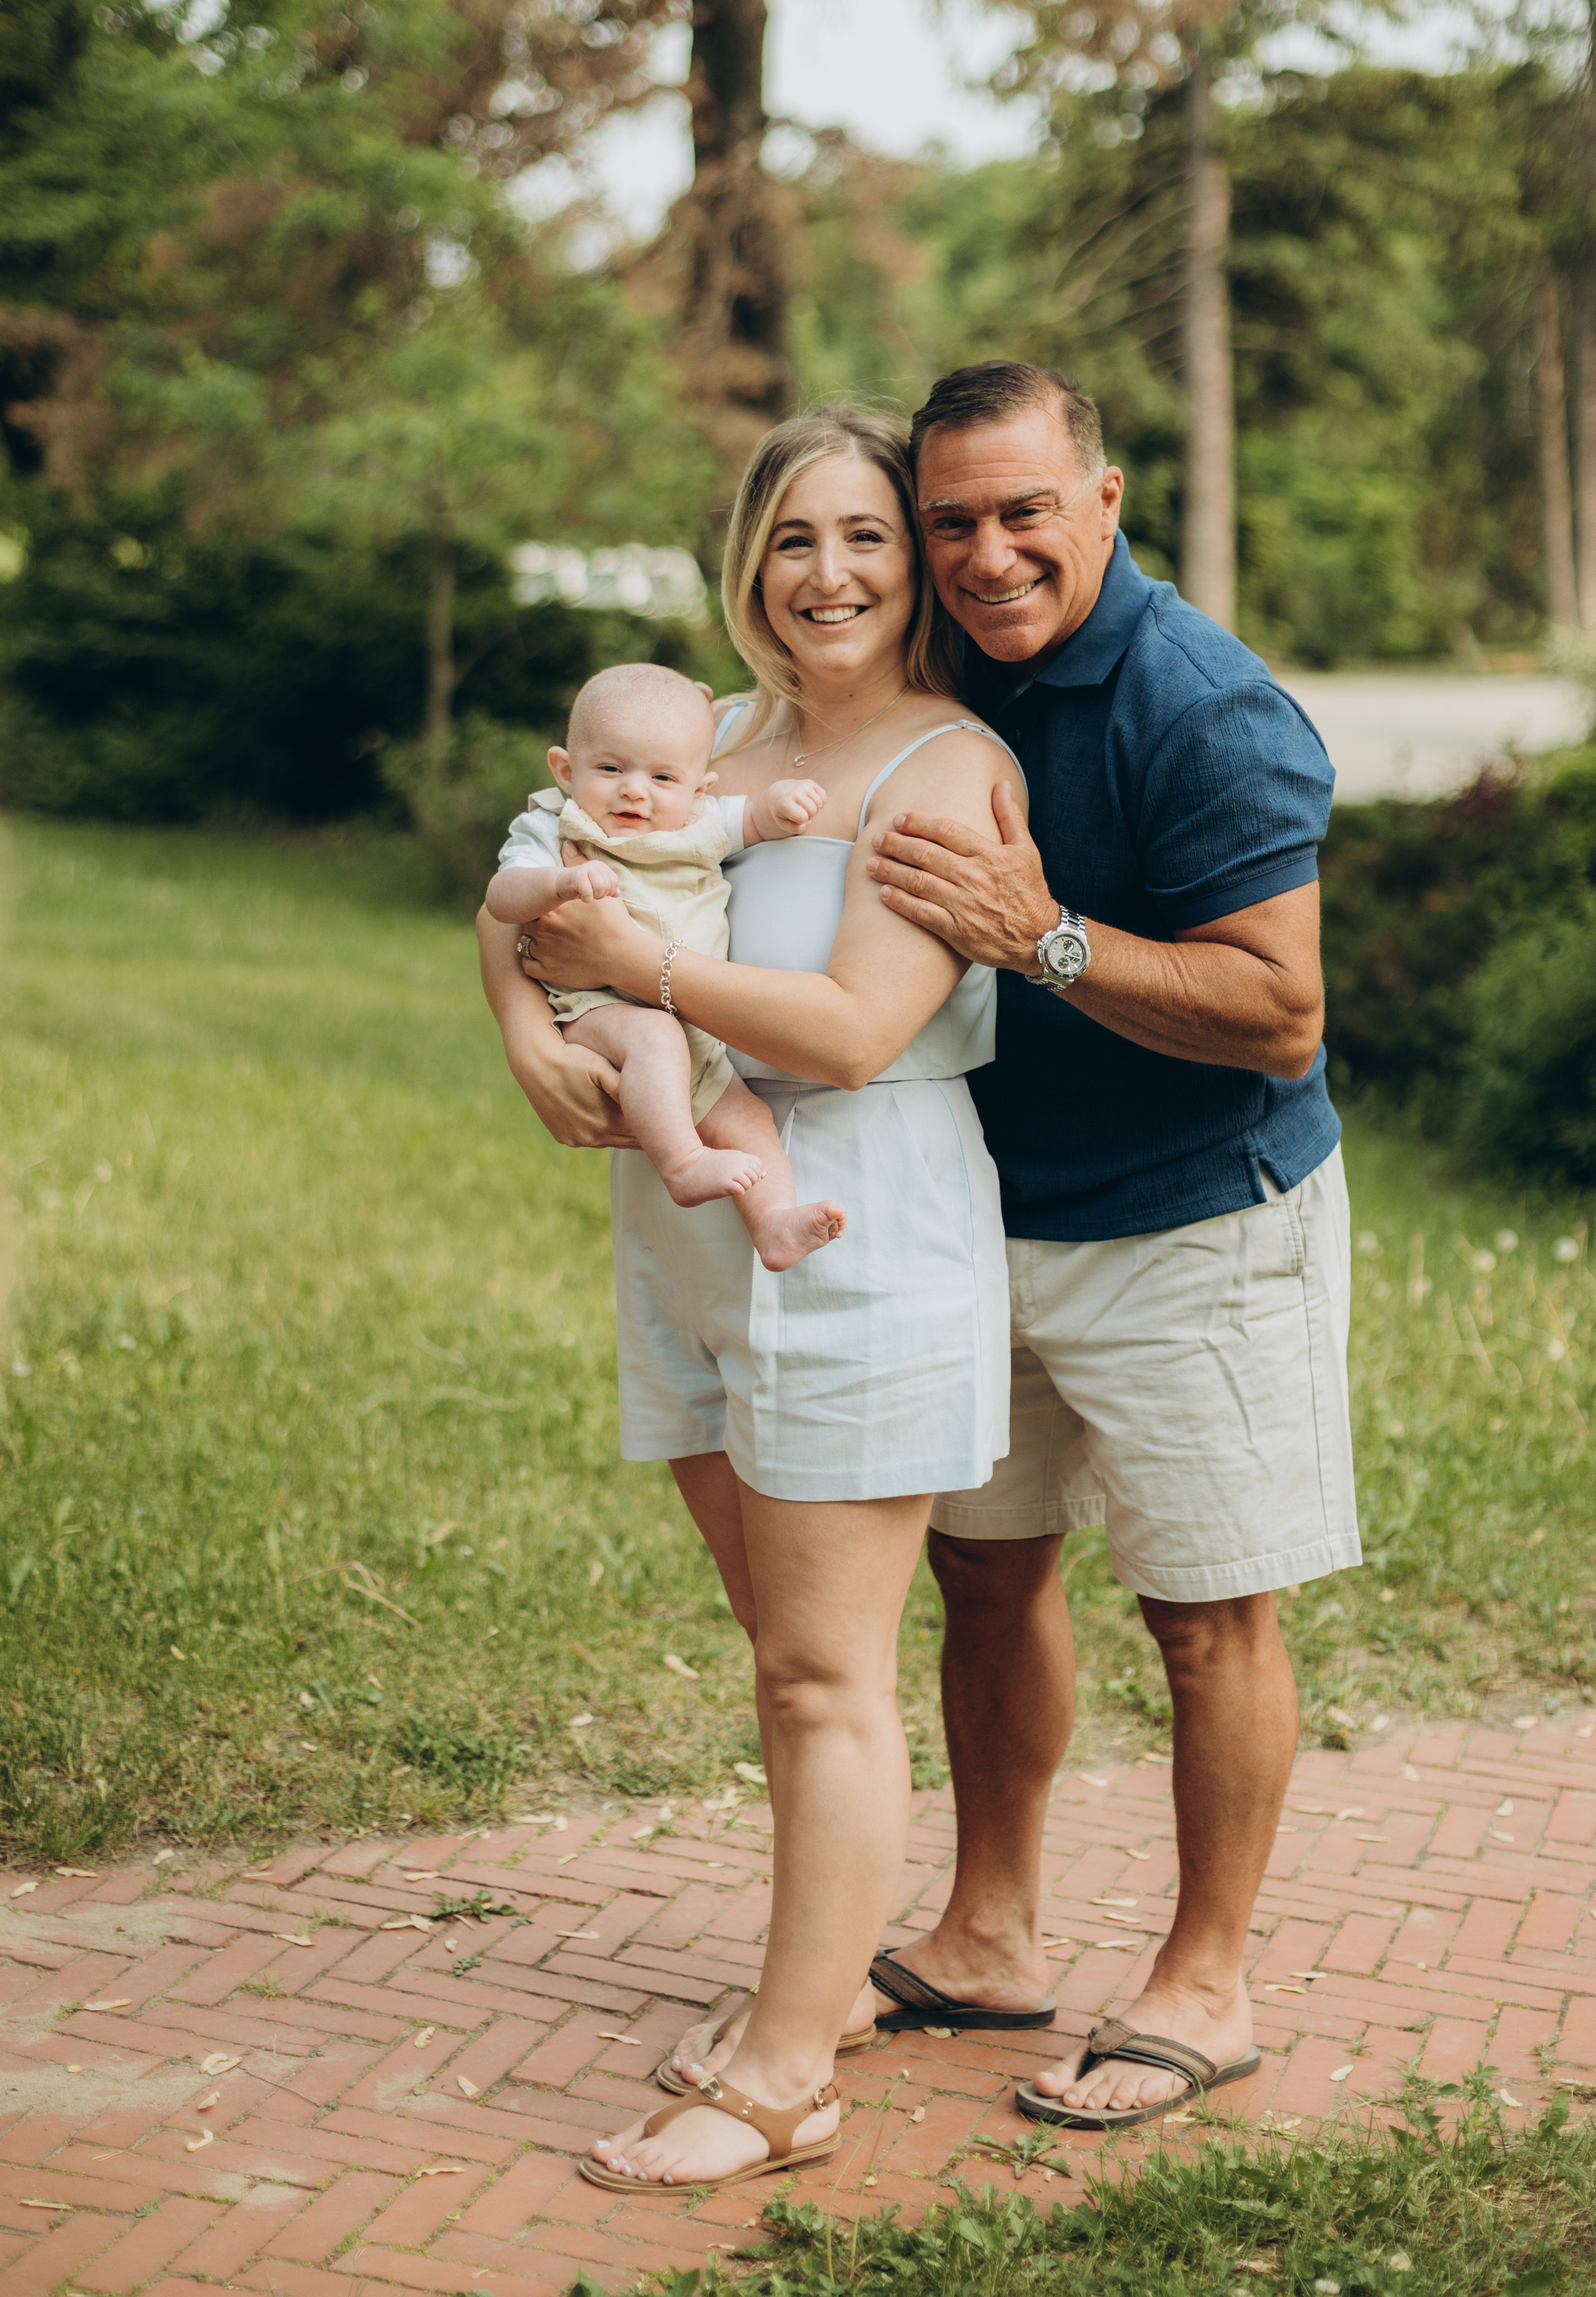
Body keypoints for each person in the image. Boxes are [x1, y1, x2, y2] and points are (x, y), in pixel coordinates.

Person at [476, 404, 1028, 2190]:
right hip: (690, 1233)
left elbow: (861, 1025)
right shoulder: (700, 738)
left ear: (917, 561)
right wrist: (521, 1044)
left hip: (859, 1214)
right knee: (784, 1657)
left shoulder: (938, 769)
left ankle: (787, 2070)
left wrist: (641, 968)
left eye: (869, 535)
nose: (832, 574)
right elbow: (529, 904)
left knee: (822, 1671)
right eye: (796, 537)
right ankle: (828, 1992)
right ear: (749, 562)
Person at [844, 359, 1355, 2128]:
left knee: (1209, 1614)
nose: (986, 555)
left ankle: (1205, 1987)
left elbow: (1279, 1010)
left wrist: (1042, 935)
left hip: (1196, 1224)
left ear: (1106, 502)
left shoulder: (1204, 706)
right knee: (985, 1570)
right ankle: (989, 1935)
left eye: (1023, 512)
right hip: (981, 1218)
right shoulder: (934, 670)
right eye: (952, 521)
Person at [484, 662, 846, 1272]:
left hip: (696, 1025)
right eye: (610, 769)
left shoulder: (698, 824)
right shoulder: (554, 826)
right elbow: (501, 898)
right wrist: (557, 882)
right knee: (653, 1036)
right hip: (600, 1011)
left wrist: (778, 807)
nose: (635, 791)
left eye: (661, 777)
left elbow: (751, 820)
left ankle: (775, 1225)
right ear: (565, 771)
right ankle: (681, 1164)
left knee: (748, 1117)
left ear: (698, 787)